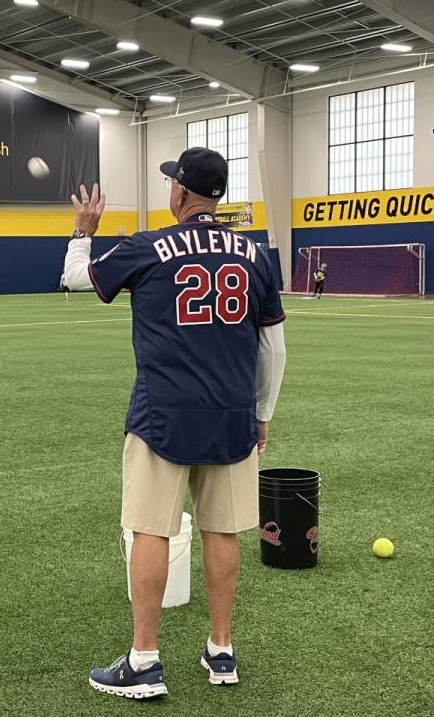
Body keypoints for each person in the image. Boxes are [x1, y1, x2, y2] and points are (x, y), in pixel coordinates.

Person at [62, 148, 287, 699]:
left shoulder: (148, 246)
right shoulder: (255, 254)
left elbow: (74, 279)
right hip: (232, 414)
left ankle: (144, 660)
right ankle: (221, 650)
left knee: (151, 528)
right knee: (222, 530)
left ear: (181, 193)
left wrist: (81, 231)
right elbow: (273, 347)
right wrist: (262, 415)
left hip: (162, 413)